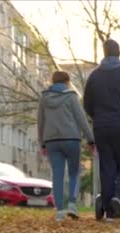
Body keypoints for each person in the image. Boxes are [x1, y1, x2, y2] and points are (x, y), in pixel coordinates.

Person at [84, 39, 120, 220]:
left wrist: (97, 118)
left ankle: (110, 211)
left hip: (101, 127)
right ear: (119, 53)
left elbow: (87, 103)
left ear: (104, 53)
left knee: (107, 166)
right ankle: (118, 196)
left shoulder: (95, 76)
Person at [38, 71, 95, 221]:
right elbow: (81, 119)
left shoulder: (44, 98)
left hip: (51, 141)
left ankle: (60, 211)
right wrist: (90, 139)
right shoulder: (71, 96)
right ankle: (72, 204)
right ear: (67, 82)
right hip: (71, 139)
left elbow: (40, 122)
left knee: (57, 174)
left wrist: (42, 142)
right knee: (74, 172)